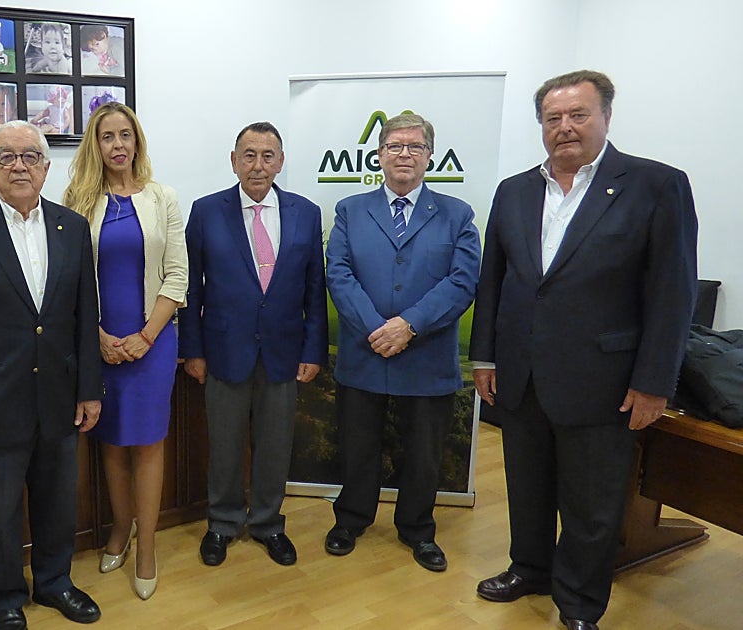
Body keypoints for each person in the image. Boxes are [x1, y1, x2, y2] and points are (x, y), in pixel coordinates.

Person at [470, 70, 697, 630]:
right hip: (520, 376)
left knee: (591, 503)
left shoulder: (654, 185)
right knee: (526, 488)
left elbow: (673, 294)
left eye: (578, 115)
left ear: (606, 117)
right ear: (541, 125)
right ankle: (530, 568)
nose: (564, 127)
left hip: (605, 380)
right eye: (553, 118)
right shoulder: (515, 190)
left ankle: (577, 603)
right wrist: (484, 357)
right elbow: (492, 282)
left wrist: (654, 383)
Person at [0, 120, 103, 630]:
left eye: (30, 156)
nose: (19, 166)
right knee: (1, 508)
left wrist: (90, 389)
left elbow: (84, 315)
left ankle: (55, 583)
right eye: (6, 157)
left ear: (46, 167)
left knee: (58, 501)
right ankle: (5, 595)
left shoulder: (72, 228)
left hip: (59, 392)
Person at [322, 113, 481, 572]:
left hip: (426, 356)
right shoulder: (351, 210)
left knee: (424, 453)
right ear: (379, 154)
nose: (404, 154)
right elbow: (340, 273)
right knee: (357, 446)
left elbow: (462, 280)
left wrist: (408, 326)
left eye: (415, 147)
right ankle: (351, 520)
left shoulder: (458, 215)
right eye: (395, 146)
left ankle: (417, 529)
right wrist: (378, 327)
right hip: (365, 352)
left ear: (431, 156)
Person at [179, 122, 328, 568]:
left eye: (267, 155)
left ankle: (267, 523)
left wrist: (313, 350)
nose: (258, 164)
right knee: (224, 445)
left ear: (280, 162)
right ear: (233, 160)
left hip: (284, 351)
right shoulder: (206, 212)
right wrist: (193, 350)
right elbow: (191, 289)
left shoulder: (306, 212)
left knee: (276, 443)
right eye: (249, 154)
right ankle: (222, 523)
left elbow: (314, 289)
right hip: (223, 351)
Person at [63, 102, 188, 600]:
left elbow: (177, 274)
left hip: (152, 342)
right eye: (107, 136)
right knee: (110, 441)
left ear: (137, 142)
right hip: (97, 343)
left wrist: (145, 335)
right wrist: (96, 337)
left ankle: (147, 547)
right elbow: (67, 281)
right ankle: (119, 528)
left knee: (149, 442)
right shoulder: (78, 200)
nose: (118, 145)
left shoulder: (163, 198)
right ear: (95, 145)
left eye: (125, 135)